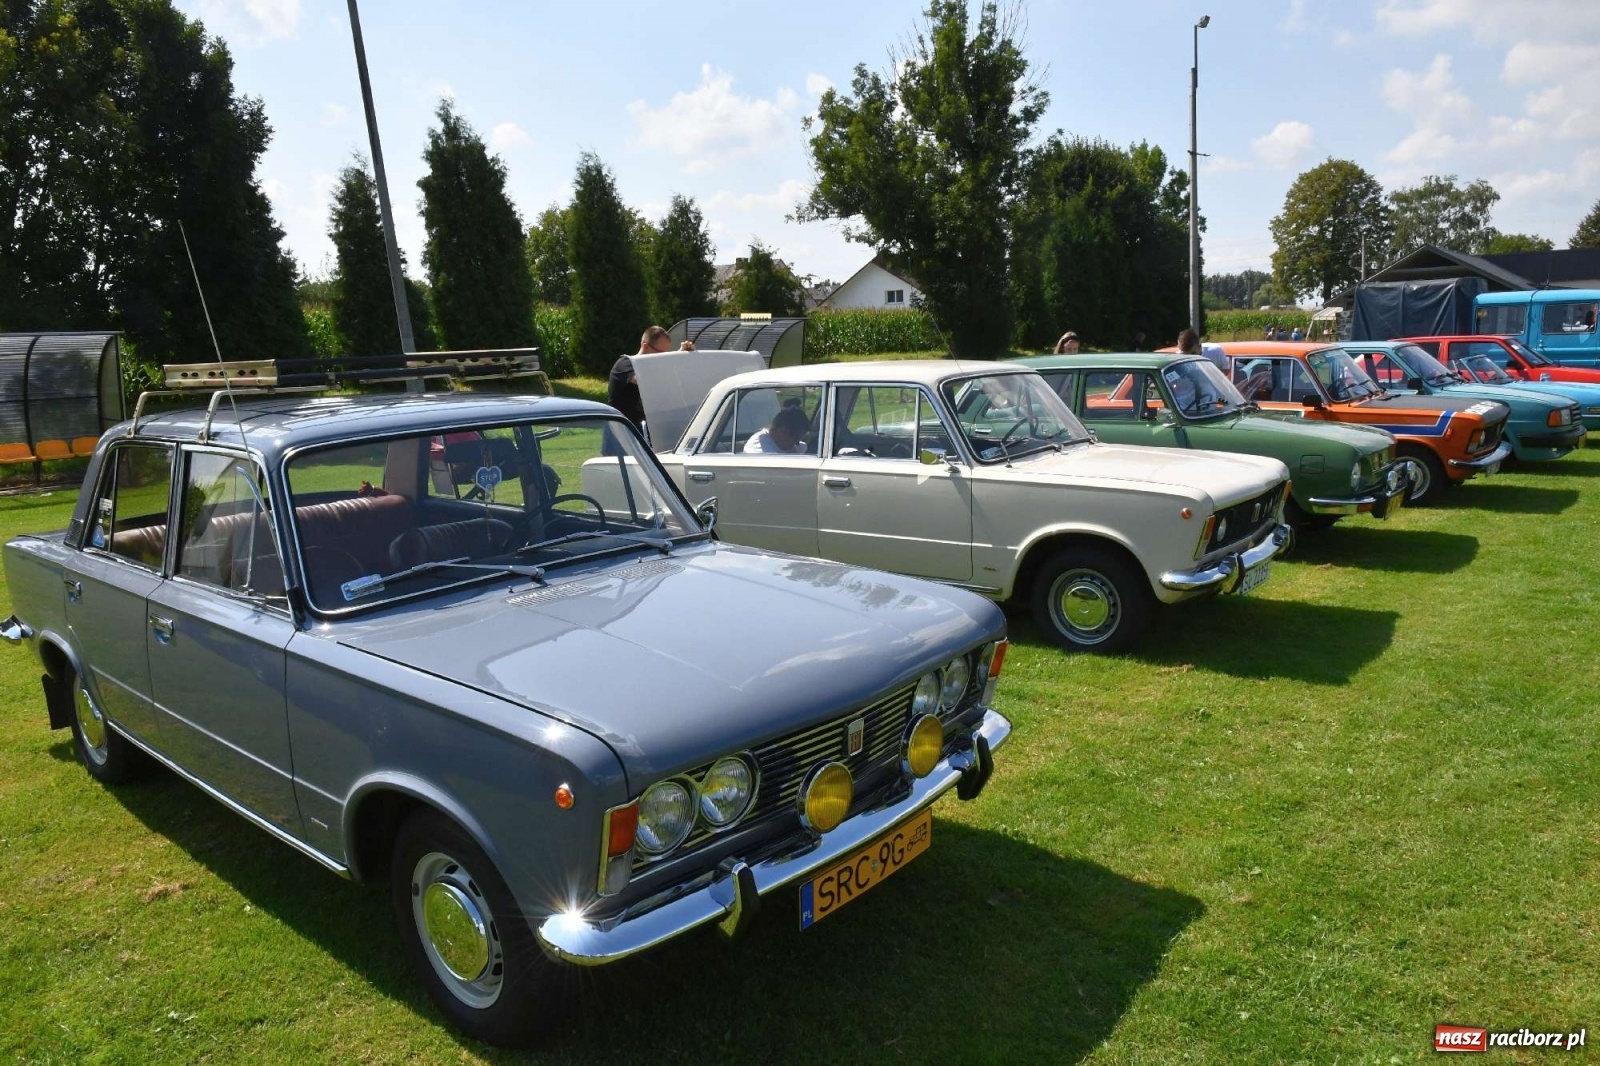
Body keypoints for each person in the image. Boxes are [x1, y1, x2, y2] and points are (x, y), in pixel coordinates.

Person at [608, 326, 694, 443]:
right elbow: (646, 380)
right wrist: (675, 359)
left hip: (644, 439)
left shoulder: (656, 369)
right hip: (620, 441)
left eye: (666, 354)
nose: (663, 358)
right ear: (645, 346)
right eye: (660, 353)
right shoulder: (624, 364)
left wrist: (680, 356)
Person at [743, 405, 810, 454]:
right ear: (782, 431)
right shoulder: (760, 449)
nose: (796, 444)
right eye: (796, 439)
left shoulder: (784, 443)